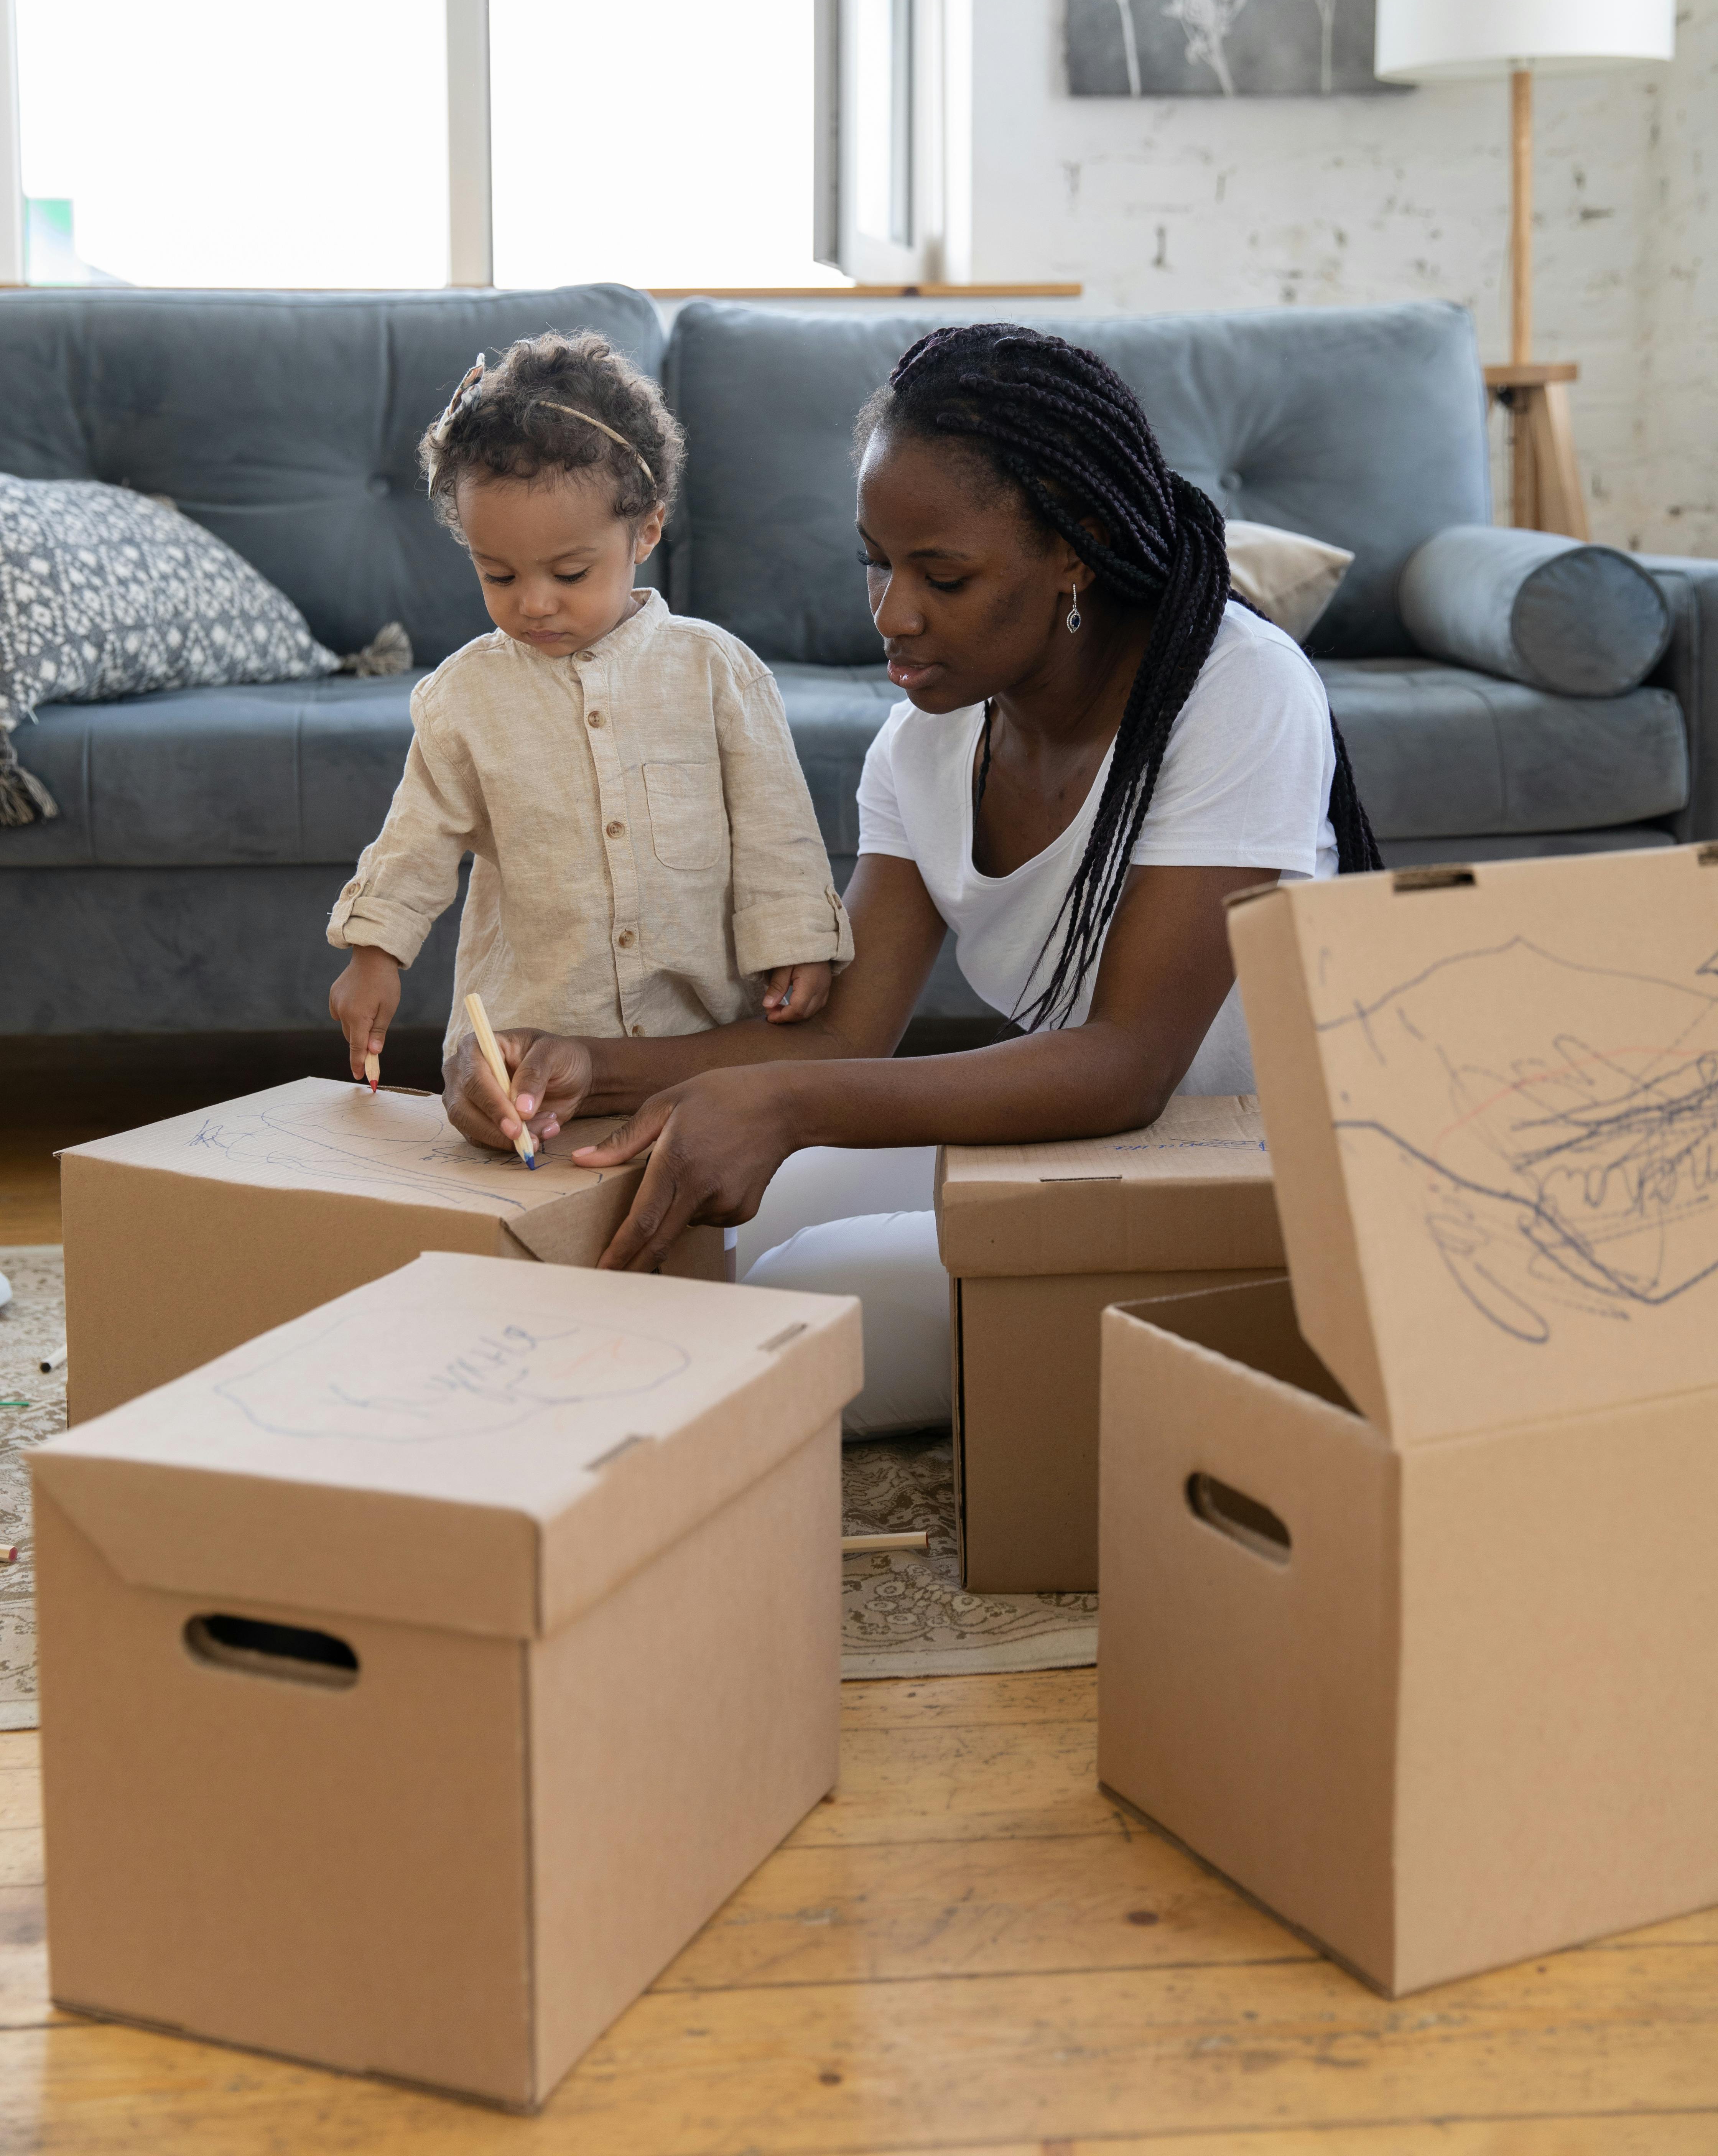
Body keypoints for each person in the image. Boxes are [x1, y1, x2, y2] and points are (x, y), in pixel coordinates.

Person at [441, 324, 1381, 1430]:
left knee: (747, 1309)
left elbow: (1128, 1065)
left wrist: (780, 1104)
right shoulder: (924, 746)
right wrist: (573, 1067)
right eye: (878, 563)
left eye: (944, 575)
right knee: (699, 1212)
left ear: (1074, 552)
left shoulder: (1237, 692)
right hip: (1088, 1153)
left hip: (1252, 1178)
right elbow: (841, 1043)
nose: (892, 615)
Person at [326, 331, 851, 1081]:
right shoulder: (463, 698)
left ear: (645, 531)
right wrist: (373, 954)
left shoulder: (718, 672)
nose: (534, 602)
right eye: (498, 575)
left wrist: (797, 940)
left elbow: (776, 830)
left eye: (570, 572)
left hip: (698, 1045)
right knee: (501, 1142)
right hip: (527, 1039)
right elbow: (415, 841)